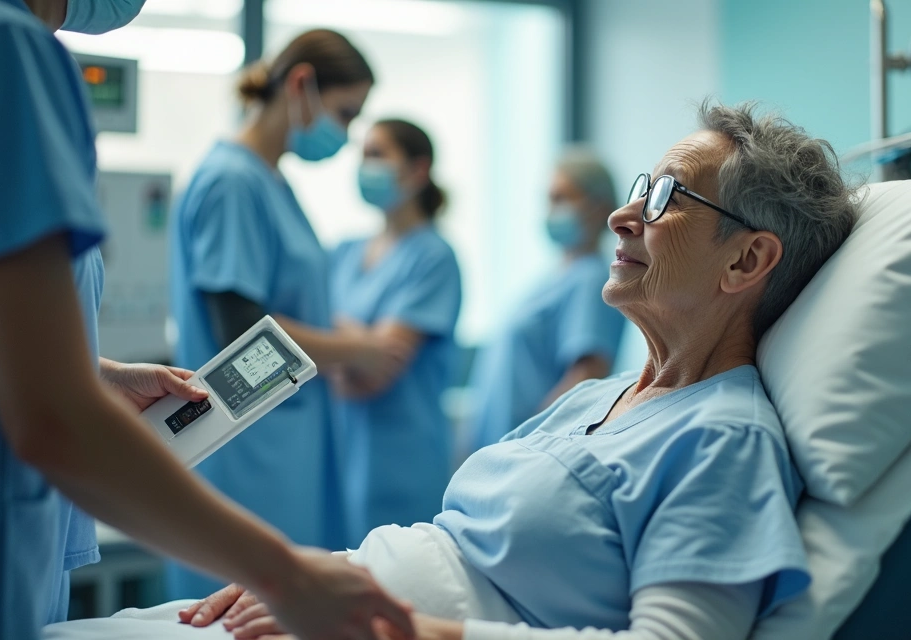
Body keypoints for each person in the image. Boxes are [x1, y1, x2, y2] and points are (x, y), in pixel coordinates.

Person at [143, 101, 859, 640]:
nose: (621, 214)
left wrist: (393, 621)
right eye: (643, 186)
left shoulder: (721, 438)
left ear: (746, 261)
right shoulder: (599, 399)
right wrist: (312, 579)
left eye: (668, 197)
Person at [0, 1, 412, 639]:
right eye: (346, 115)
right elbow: (57, 413)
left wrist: (95, 372)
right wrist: (287, 577)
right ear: (301, 84)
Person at [166, 29, 416, 599]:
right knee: (240, 609)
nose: (346, 134)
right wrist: (358, 350)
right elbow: (245, 335)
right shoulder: (232, 182)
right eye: (345, 113)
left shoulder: (270, 181)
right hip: (250, 452)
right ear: (301, 84)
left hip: (286, 443)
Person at [331, 119, 462, 540]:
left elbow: (374, 373)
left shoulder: (433, 258)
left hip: (399, 462)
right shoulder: (344, 252)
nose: (364, 164)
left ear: (417, 170)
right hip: (340, 454)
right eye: (363, 154)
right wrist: (355, 346)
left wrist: (324, 344)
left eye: (377, 153)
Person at [464, 148, 625, 453]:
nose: (552, 210)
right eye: (549, 199)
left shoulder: (591, 279)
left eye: (562, 198)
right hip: (501, 450)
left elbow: (586, 377)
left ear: (598, 206)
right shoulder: (551, 280)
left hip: (527, 453)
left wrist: (530, 445)